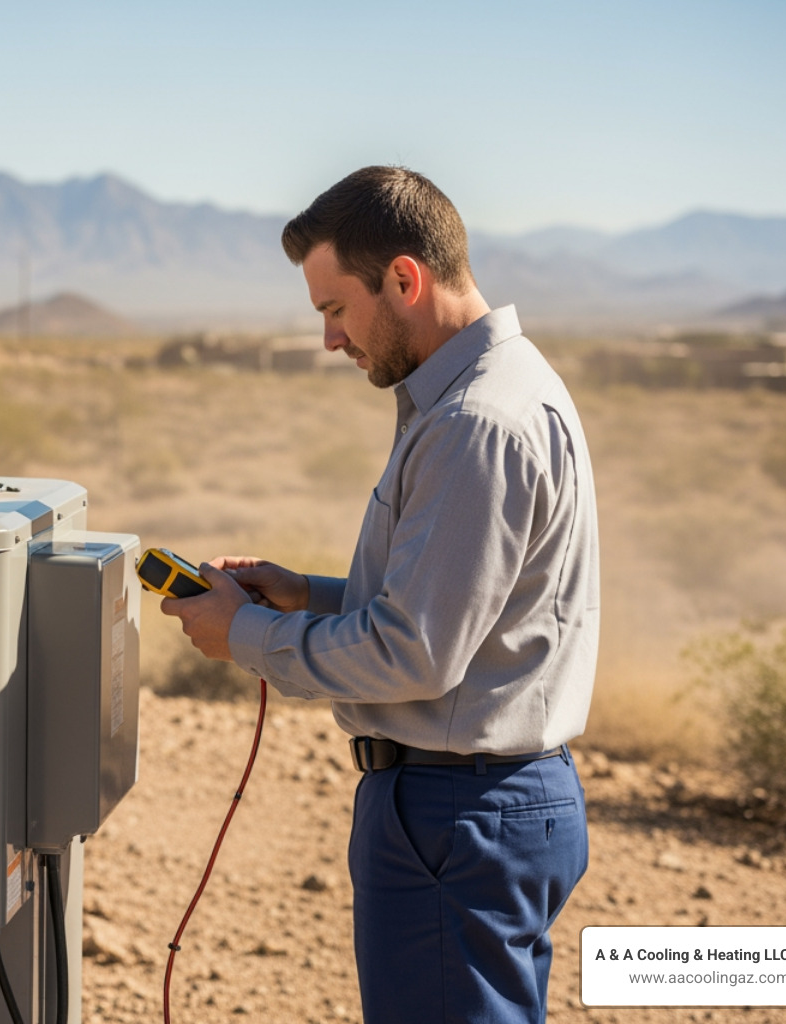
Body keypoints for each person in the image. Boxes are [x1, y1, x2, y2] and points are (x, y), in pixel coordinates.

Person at [159, 165, 598, 1024]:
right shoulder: (496, 389)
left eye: (335, 310)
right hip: (477, 805)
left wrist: (241, 632)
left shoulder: (475, 422)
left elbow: (415, 653)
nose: (331, 339)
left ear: (406, 279)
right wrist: (305, 596)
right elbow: (460, 613)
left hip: (455, 811)